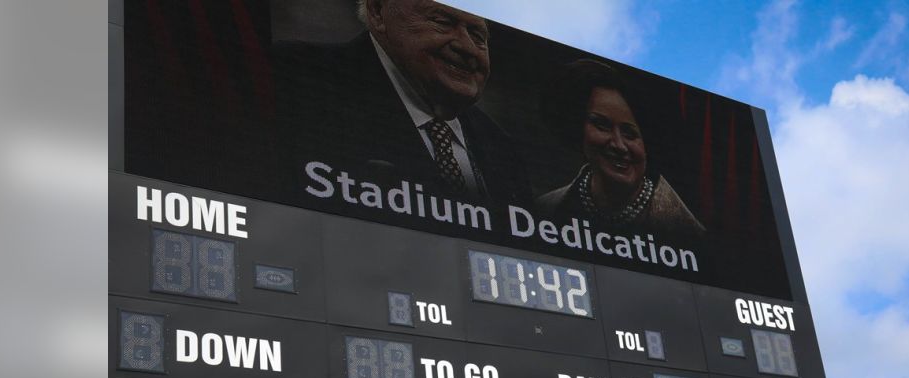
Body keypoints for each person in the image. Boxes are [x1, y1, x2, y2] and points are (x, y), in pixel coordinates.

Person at [277, 0, 531, 207]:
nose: (466, 47)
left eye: (477, 35)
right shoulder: (296, 75)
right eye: (443, 22)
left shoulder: (502, 149)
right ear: (378, 12)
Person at [536, 59, 705, 242]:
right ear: (577, 127)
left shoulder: (688, 234)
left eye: (630, 134)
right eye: (602, 125)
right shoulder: (544, 209)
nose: (619, 145)